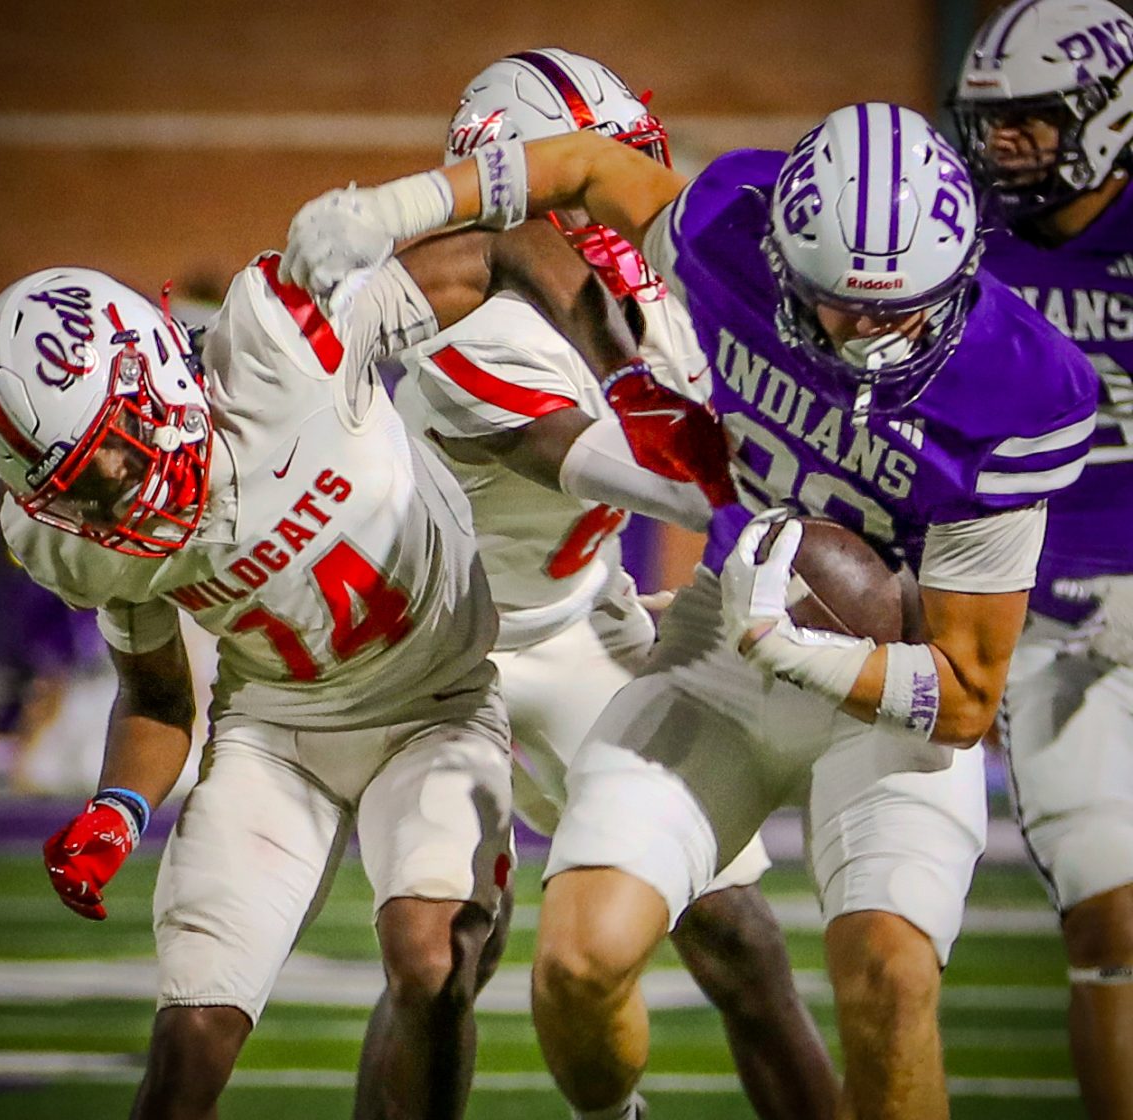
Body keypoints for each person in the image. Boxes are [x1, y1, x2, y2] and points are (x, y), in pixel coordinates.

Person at [281, 98, 1099, 1119]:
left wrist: (794, 644)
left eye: (898, 309)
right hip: (724, 648)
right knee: (576, 960)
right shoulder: (729, 231)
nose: (865, 332)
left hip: (891, 686)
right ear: (785, 251)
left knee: (889, 981)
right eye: (836, 300)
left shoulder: (1020, 388)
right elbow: (579, 168)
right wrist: (398, 207)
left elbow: (969, 696)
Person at [0, 211, 674, 1119]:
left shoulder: (280, 341)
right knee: (187, 1053)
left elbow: (503, 246)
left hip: (438, 703)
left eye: (114, 448)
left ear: (151, 368)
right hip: (276, 737)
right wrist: (117, 806)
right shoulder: (81, 544)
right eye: (79, 491)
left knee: (431, 959)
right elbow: (156, 695)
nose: (116, 494)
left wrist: (625, 369)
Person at [391, 48, 837, 1120]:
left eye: (628, 162)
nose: (619, 195)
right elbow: (623, 464)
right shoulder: (466, 327)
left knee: (737, 932)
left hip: (582, 626)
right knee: (444, 959)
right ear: (512, 193)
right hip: (446, 664)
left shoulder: (654, 307)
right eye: (587, 173)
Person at [952, 2, 1133, 1114]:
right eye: (992, 121)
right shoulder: (957, 231)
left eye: (1031, 120)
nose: (1003, 144)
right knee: (1107, 917)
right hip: (1052, 623)